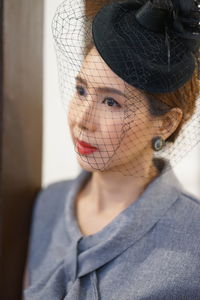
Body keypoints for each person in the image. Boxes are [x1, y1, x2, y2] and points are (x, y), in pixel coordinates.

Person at [24, 0, 200, 299]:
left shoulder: (192, 238)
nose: (82, 120)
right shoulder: (47, 204)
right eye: (81, 91)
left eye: (111, 102)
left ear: (166, 123)